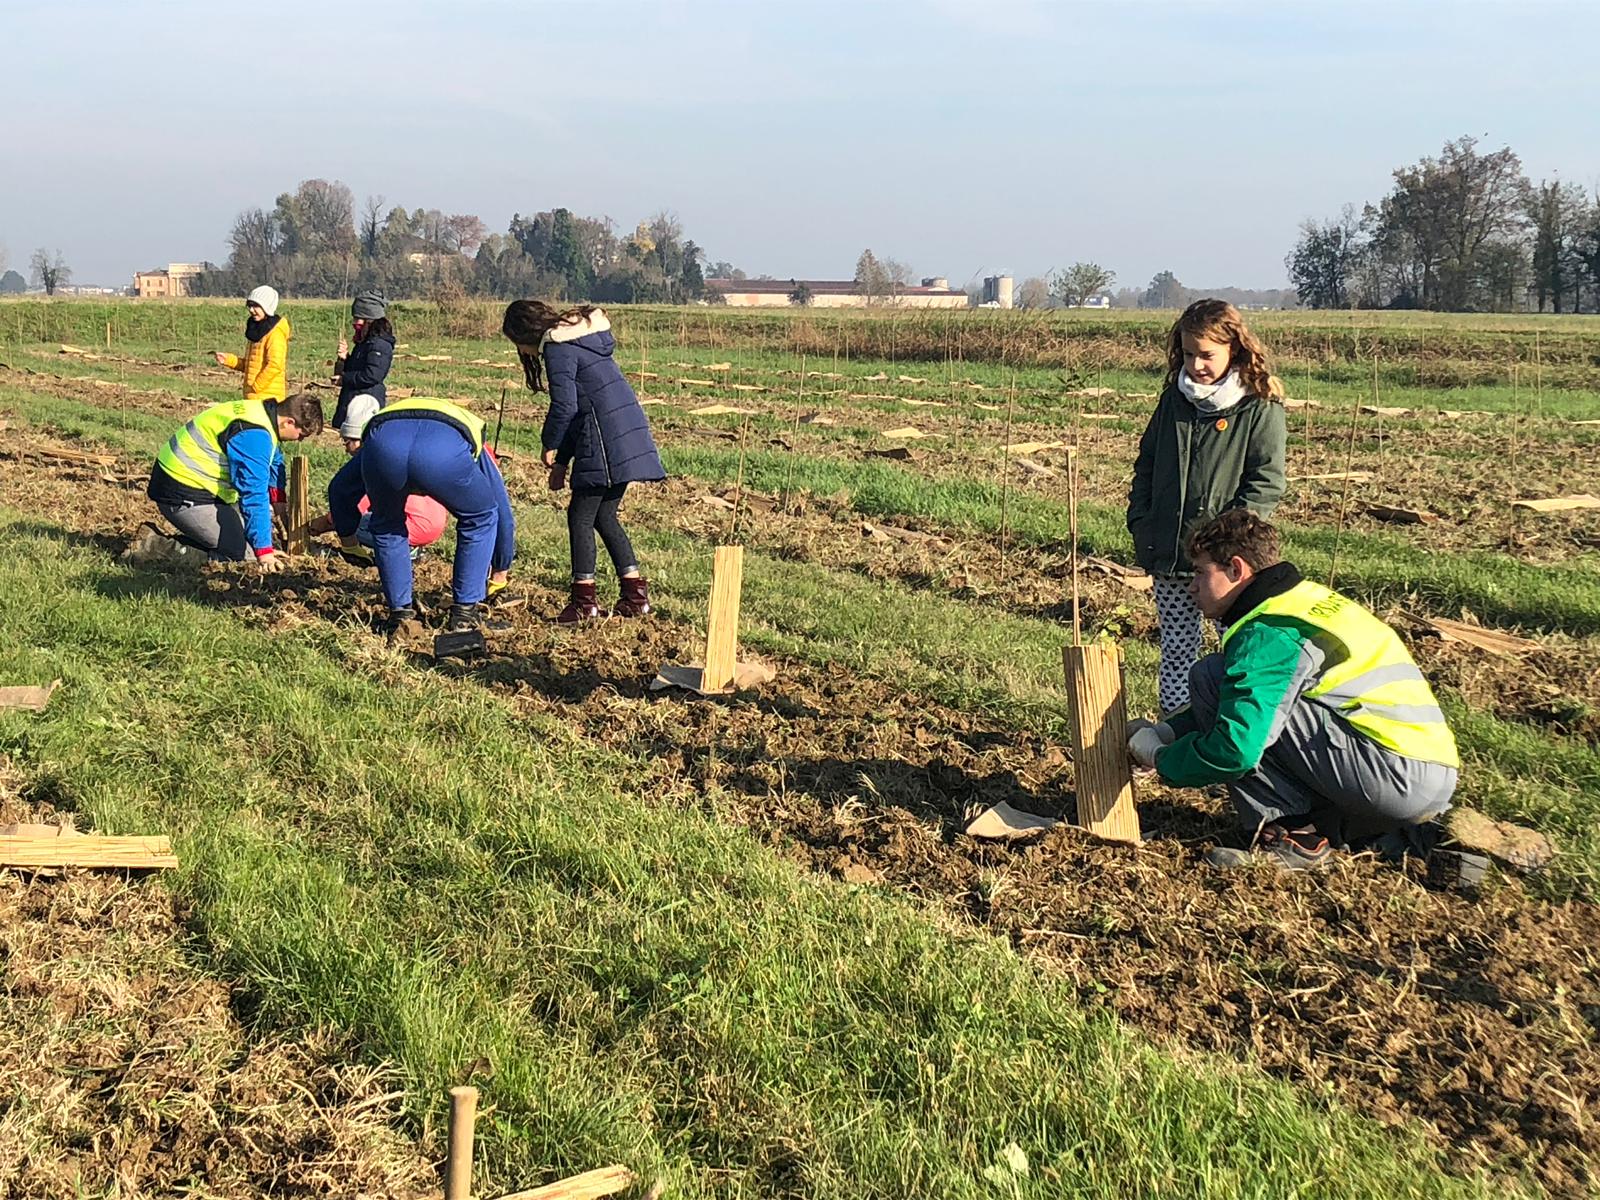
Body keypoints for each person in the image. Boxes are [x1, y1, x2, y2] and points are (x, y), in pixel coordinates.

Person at [1128, 510, 1460, 871]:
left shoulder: (1271, 631)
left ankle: (1296, 838)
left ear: (1236, 570)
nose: (1191, 586)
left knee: (1214, 676)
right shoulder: (1306, 602)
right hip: (1425, 775)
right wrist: (1169, 730)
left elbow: (1235, 750)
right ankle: (1358, 829)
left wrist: (1162, 759)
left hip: (1391, 776)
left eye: (1200, 572)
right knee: (1240, 692)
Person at [1127, 299, 1286, 716]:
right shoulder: (1173, 401)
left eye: (1207, 355)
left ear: (1234, 348)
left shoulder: (1258, 408)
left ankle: (1231, 735)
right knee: (1177, 651)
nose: (1197, 365)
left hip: (1225, 569)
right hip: (1169, 554)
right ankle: (1175, 731)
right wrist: (1142, 522)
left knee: (1235, 654)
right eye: (1189, 354)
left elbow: (1265, 482)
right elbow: (1146, 464)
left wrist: (1227, 546)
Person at [501, 300, 665, 624]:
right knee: (604, 516)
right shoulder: (584, 341)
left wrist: (549, 443)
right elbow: (582, 407)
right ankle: (634, 596)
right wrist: (563, 460)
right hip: (623, 434)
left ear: (524, 333)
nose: (521, 351)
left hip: (603, 439)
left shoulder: (557, 349)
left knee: (580, 516)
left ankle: (583, 603)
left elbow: (566, 407)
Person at [348, 397, 515, 634]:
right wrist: (500, 568)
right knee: (480, 516)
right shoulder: (472, 429)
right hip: (443, 453)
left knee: (386, 524)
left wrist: (347, 539)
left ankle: (400, 616)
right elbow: (501, 511)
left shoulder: (385, 423)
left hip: (385, 447)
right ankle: (465, 614)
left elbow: (341, 488)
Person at [129, 392, 325, 569]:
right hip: (182, 491)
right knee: (245, 556)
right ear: (289, 422)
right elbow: (253, 495)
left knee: (249, 538)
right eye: (302, 435)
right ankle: (154, 546)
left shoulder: (264, 413)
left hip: (195, 484)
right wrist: (264, 552)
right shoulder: (254, 436)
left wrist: (279, 504)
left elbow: (275, 459)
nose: (300, 440)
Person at [313, 394, 450, 562]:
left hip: (415, 526)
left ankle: (404, 549)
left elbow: (349, 507)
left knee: (354, 522)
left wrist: (319, 524)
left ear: (359, 439)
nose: (346, 450)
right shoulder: (396, 451)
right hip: (434, 525)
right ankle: (411, 545)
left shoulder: (372, 465)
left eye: (347, 442)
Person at [213, 286, 292, 401]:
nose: (251, 309)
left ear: (267, 307)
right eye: (249, 305)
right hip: (254, 397)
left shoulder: (275, 333)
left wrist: (256, 387)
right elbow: (252, 365)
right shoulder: (256, 331)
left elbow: (275, 365)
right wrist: (228, 360)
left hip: (267, 399)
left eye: (256, 306)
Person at [331, 290, 395, 430]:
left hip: (366, 404)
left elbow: (372, 375)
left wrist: (344, 379)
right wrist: (346, 358)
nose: (354, 323)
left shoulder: (379, 344)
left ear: (369, 320)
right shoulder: (365, 342)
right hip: (353, 399)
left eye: (358, 318)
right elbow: (358, 369)